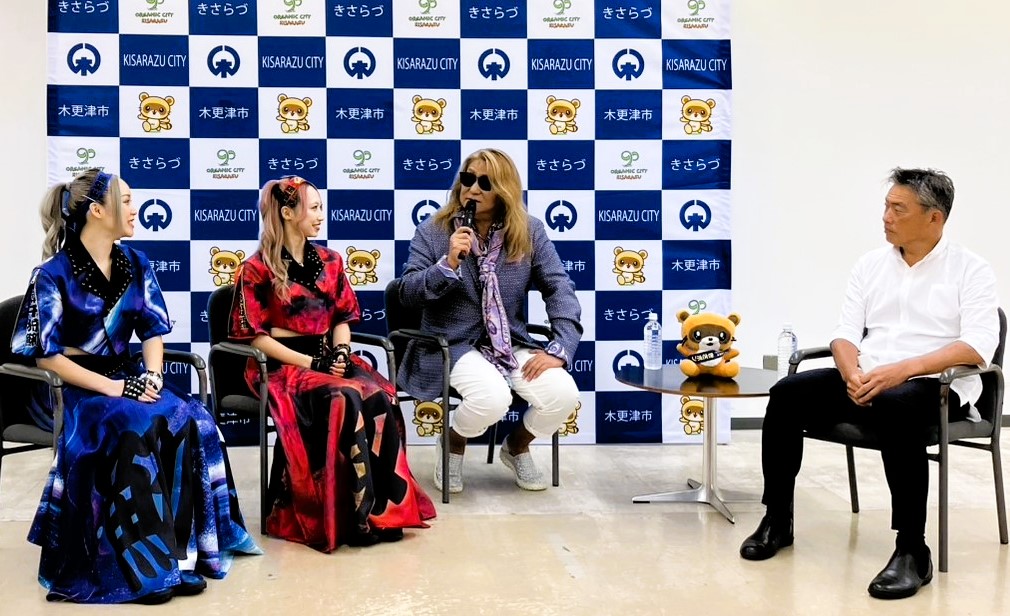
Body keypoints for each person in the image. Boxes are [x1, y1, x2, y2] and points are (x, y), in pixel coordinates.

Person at [739, 168, 1000, 600]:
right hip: (868, 378)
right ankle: (778, 519)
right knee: (787, 393)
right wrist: (851, 374)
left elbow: (977, 345)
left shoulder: (971, 269)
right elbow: (844, 333)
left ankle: (912, 550)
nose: (886, 217)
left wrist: (904, 370)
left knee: (898, 404)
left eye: (898, 209)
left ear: (934, 218)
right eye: (886, 206)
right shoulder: (871, 264)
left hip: (936, 386)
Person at [11, 169, 259, 604]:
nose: (134, 208)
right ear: (97, 210)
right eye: (124, 200)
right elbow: (46, 356)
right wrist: (111, 388)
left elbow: (152, 332)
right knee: (134, 426)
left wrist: (153, 376)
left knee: (193, 418)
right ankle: (144, 567)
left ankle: (185, 555)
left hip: (128, 376)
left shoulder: (136, 263)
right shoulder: (51, 275)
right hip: (80, 389)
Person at [228, 175, 435, 552]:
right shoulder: (256, 269)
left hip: (328, 357)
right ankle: (352, 515)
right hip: (280, 368)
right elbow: (257, 337)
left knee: (379, 395)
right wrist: (312, 360)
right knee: (345, 396)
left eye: (321, 207)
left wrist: (339, 352)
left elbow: (341, 318)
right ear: (288, 213)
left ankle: (383, 510)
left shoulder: (331, 261)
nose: (321, 215)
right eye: (314, 208)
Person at [399, 148, 582, 493]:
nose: (473, 188)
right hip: (450, 343)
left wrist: (560, 347)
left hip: (508, 342)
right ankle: (452, 442)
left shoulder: (529, 231)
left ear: (504, 190)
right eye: (468, 178)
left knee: (563, 394)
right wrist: (446, 265)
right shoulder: (434, 231)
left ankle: (517, 446)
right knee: (492, 398)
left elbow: (559, 287)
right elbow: (407, 294)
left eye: (485, 182)